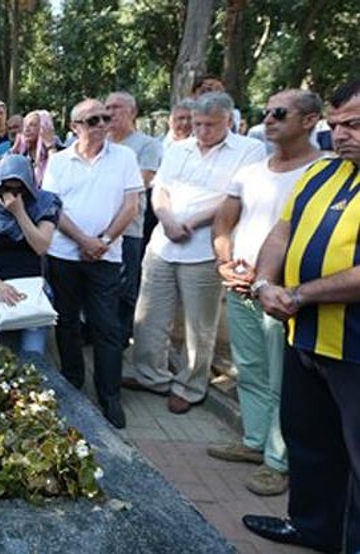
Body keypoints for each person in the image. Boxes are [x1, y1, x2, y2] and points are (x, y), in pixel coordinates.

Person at [242, 79, 360, 554]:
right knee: (309, 439)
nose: (341, 134)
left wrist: (299, 293)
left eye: (353, 124)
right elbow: (282, 231)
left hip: (354, 347)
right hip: (306, 337)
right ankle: (313, 527)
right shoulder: (322, 174)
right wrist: (265, 284)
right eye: (335, 126)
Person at [208, 89, 324, 497]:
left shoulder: (325, 171)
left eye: (279, 112)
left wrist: (273, 281)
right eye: (266, 112)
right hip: (241, 286)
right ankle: (254, 442)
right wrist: (224, 259)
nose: (268, 119)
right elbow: (223, 222)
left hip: (283, 294)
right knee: (251, 369)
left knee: (282, 379)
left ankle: (279, 461)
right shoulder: (252, 171)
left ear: (310, 120)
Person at [128, 92, 267, 415]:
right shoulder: (178, 148)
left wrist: (191, 221)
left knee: (199, 324)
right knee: (149, 317)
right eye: (197, 124)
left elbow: (235, 197)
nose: (202, 131)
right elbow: (160, 188)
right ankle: (152, 376)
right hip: (162, 244)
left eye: (210, 125)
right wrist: (166, 218)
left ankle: (189, 386)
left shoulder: (249, 150)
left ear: (228, 121)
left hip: (205, 248)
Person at [41, 98, 142, 429]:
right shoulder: (58, 162)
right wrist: (83, 240)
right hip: (65, 255)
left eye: (105, 117)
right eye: (93, 120)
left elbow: (130, 206)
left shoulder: (124, 157)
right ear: (74, 127)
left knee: (107, 327)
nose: (102, 124)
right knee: (68, 323)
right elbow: (53, 208)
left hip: (106, 257)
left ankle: (109, 395)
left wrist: (105, 242)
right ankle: (72, 384)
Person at [0, 154, 60, 362]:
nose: (13, 195)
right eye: (7, 188)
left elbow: (41, 246)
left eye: (19, 189)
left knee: (33, 355)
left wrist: (20, 213)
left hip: (33, 285)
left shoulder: (45, 203)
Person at [105, 91, 163, 347]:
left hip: (129, 228)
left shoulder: (146, 145)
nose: (109, 112)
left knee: (126, 286)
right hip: (96, 228)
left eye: (116, 107)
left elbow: (142, 182)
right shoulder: (100, 142)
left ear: (132, 112)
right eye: (106, 107)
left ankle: (119, 337)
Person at [9, 110, 59, 187]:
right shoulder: (22, 156)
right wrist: (12, 150)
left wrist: (50, 146)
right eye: (25, 126)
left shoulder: (59, 151)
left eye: (32, 125)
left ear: (44, 127)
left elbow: (57, 173)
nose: (27, 129)